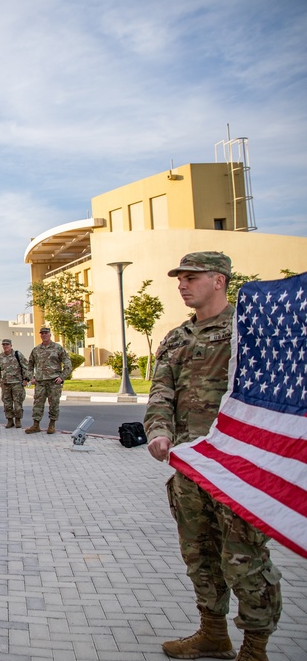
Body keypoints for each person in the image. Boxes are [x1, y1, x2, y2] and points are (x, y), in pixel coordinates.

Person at [145, 252, 282, 661]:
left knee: (245, 559)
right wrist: (158, 430)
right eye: (180, 279)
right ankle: (213, 633)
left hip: (238, 468)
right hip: (190, 465)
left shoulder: (250, 331)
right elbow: (160, 392)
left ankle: (255, 648)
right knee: (199, 555)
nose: (182, 285)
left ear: (219, 280)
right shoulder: (176, 337)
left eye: (192, 277)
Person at [24, 327, 72, 435]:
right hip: (40, 382)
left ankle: (52, 425)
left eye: (46, 333)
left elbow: (68, 364)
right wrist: (31, 377)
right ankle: (36, 425)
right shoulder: (36, 350)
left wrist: (62, 377)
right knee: (37, 404)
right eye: (42, 333)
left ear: (50, 335)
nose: (44, 335)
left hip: (53, 382)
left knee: (54, 404)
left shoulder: (58, 348)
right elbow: (29, 365)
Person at [0, 338, 28, 428]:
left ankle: (18, 420)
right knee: (7, 404)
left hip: (17, 383)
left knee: (18, 404)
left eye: (7, 345)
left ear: (11, 345)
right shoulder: (0, 357)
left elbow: (25, 367)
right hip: (5, 384)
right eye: (4, 345)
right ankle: (9, 420)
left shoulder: (17, 355)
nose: (5, 346)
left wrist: (25, 379)